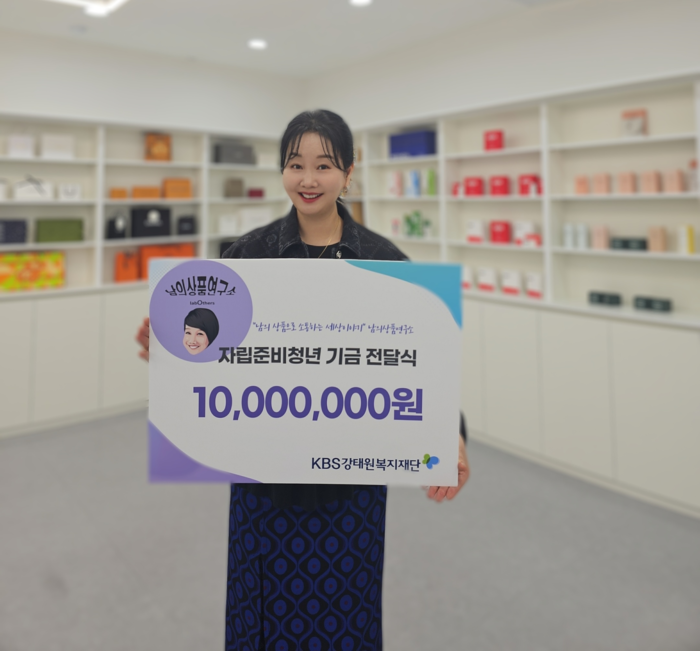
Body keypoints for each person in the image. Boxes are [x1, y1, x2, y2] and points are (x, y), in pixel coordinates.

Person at [136, 109, 469, 651]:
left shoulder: (385, 262)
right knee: (259, 615)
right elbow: (214, 358)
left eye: (324, 165)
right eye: (296, 165)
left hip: (350, 489)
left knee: (346, 615)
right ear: (282, 170)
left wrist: (450, 434)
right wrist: (168, 346)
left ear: (348, 173)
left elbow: (420, 364)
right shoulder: (246, 256)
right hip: (263, 481)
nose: (308, 179)